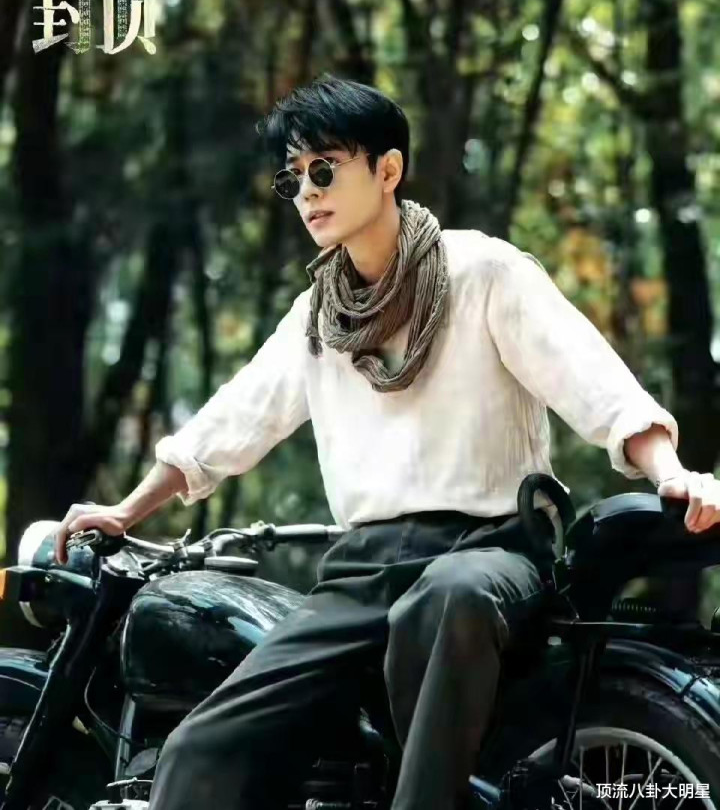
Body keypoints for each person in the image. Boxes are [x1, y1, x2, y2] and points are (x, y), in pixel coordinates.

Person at [56, 75, 717, 810]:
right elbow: (228, 424)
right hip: (361, 574)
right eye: (293, 178)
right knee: (203, 750)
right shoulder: (318, 314)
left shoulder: (483, 271)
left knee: (447, 598)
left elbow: (594, 382)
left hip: (489, 550)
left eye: (324, 168)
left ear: (388, 169)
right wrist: (127, 510)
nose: (307, 192)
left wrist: (672, 471)